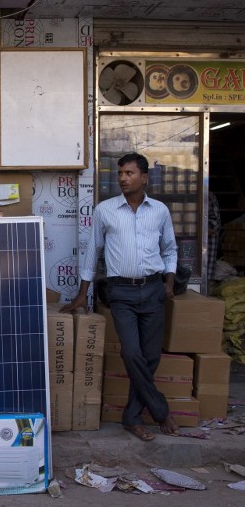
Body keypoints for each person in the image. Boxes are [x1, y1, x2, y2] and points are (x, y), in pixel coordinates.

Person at [61, 152, 179, 442]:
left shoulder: (160, 211)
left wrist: (168, 282)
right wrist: (82, 294)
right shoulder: (105, 210)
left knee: (150, 356)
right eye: (120, 174)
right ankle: (160, 410)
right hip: (121, 292)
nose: (123, 179)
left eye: (129, 173)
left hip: (153, 290)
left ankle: (132, 416)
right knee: (131, 352)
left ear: (144, 177)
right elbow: (93, 251)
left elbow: (170, 249)